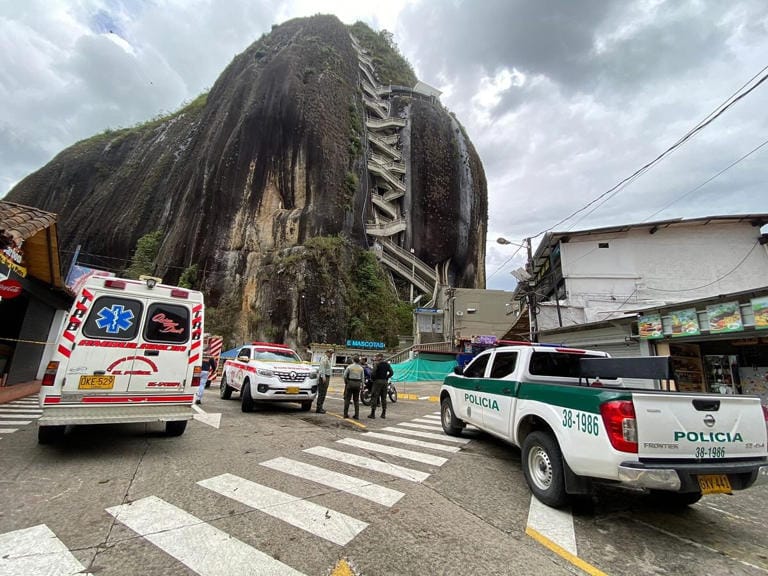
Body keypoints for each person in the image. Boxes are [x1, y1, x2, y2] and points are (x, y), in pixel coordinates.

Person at [369, 352, 393, 419]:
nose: (375, 358)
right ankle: (383, 413)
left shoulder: (377, 364)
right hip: (385, 382)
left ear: (380, 357)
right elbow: (391, 372)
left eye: (376, 357)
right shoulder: (387, 364)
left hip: (377, 381)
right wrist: (387, 377)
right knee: (383, 397)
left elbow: (373, 373)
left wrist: (373, 379)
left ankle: (372, 414)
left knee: (374, 396)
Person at [342, 355, 365, 419]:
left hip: (350, 383)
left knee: (347, 399)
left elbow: (344, 376)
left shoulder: (349, 367)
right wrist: (362, 386)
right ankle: (356, 415)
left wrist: (346, 382)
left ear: (353, 360)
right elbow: (363, 378)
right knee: (356, 400)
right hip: (357, 384)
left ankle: (345, 414)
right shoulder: (361, 368)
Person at [316, 349, 334, 414]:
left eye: (332, 353)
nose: (331, 355)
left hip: (326, 376)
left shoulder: (328, 359)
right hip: (324, 377)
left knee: (324, 393)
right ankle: (319, 408)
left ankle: (320, 407)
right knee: (322, 393)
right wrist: (323, 377)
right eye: (330, 353)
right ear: (327, 353)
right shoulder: (324, 359)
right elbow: (322, 368)